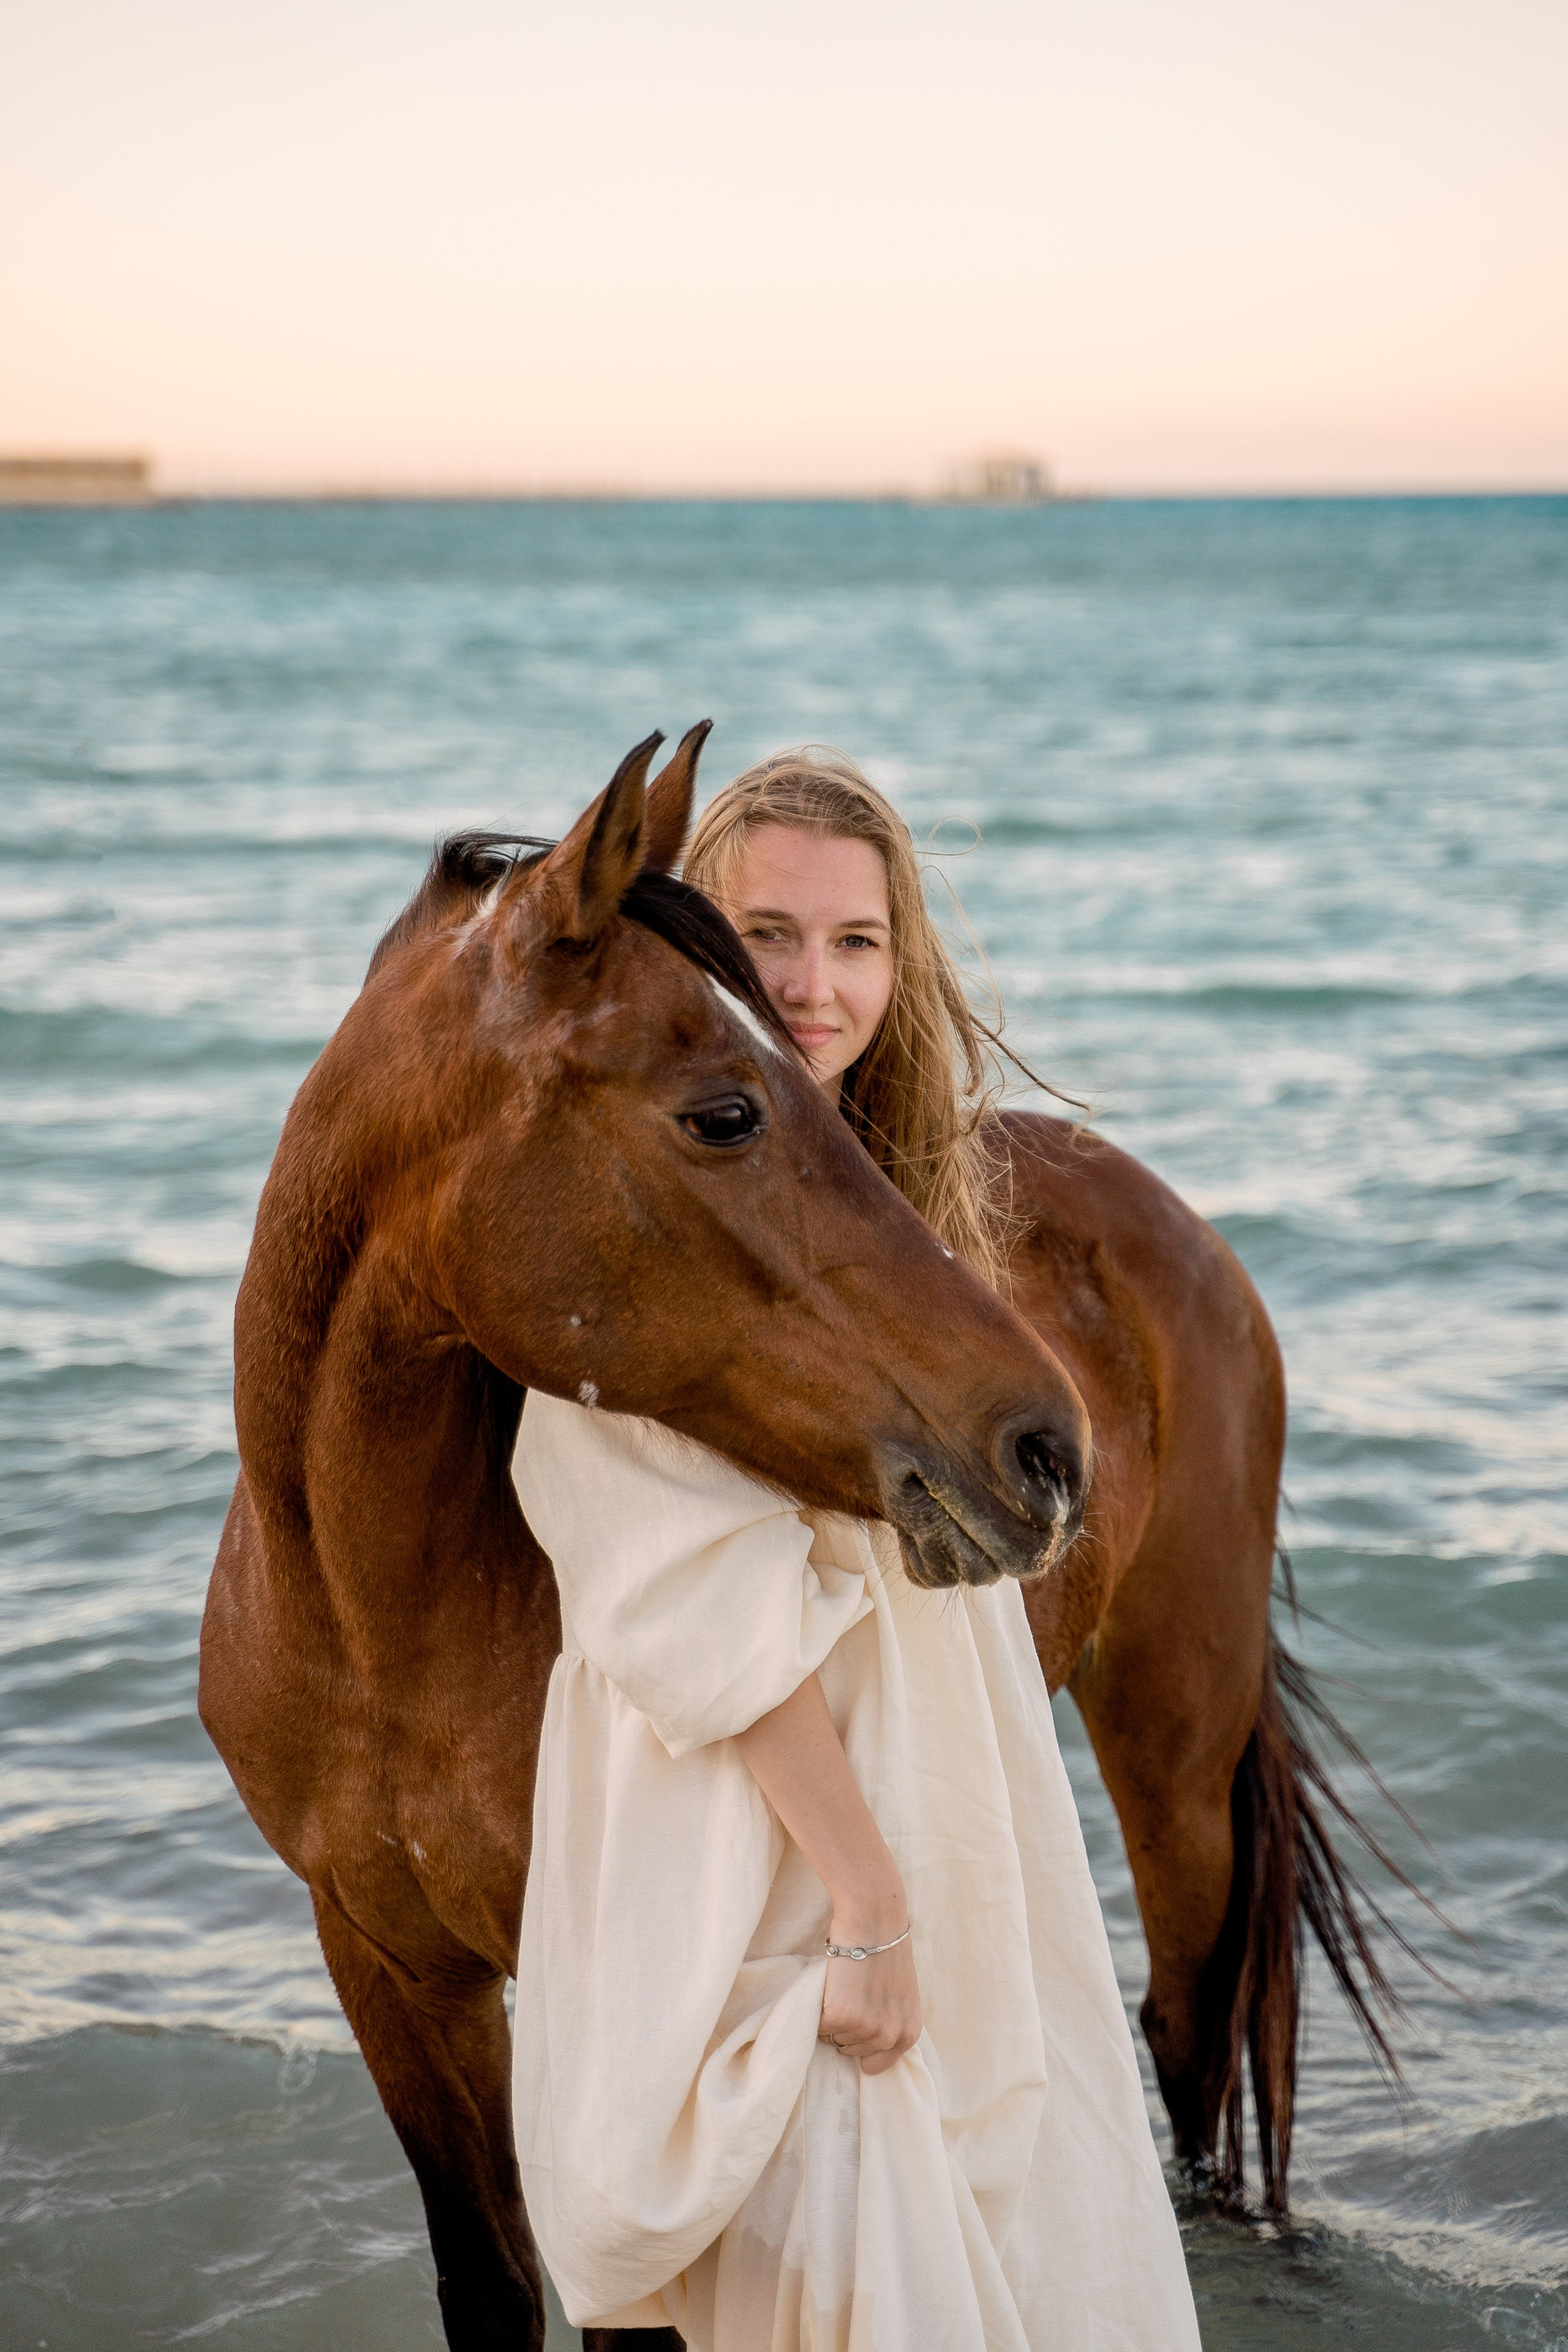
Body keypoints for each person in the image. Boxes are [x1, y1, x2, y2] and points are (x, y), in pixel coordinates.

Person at [511, 748, 1200, 2349]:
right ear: (691, 941)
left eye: (859, 942)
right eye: (771, 935)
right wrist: (872, 1905)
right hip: (761, 1833)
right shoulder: (633, 1211)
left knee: (995, 2211)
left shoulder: (890, 1212)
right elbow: (694, 1607)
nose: (819, 986)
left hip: (933, 1786)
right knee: (822, 2218)